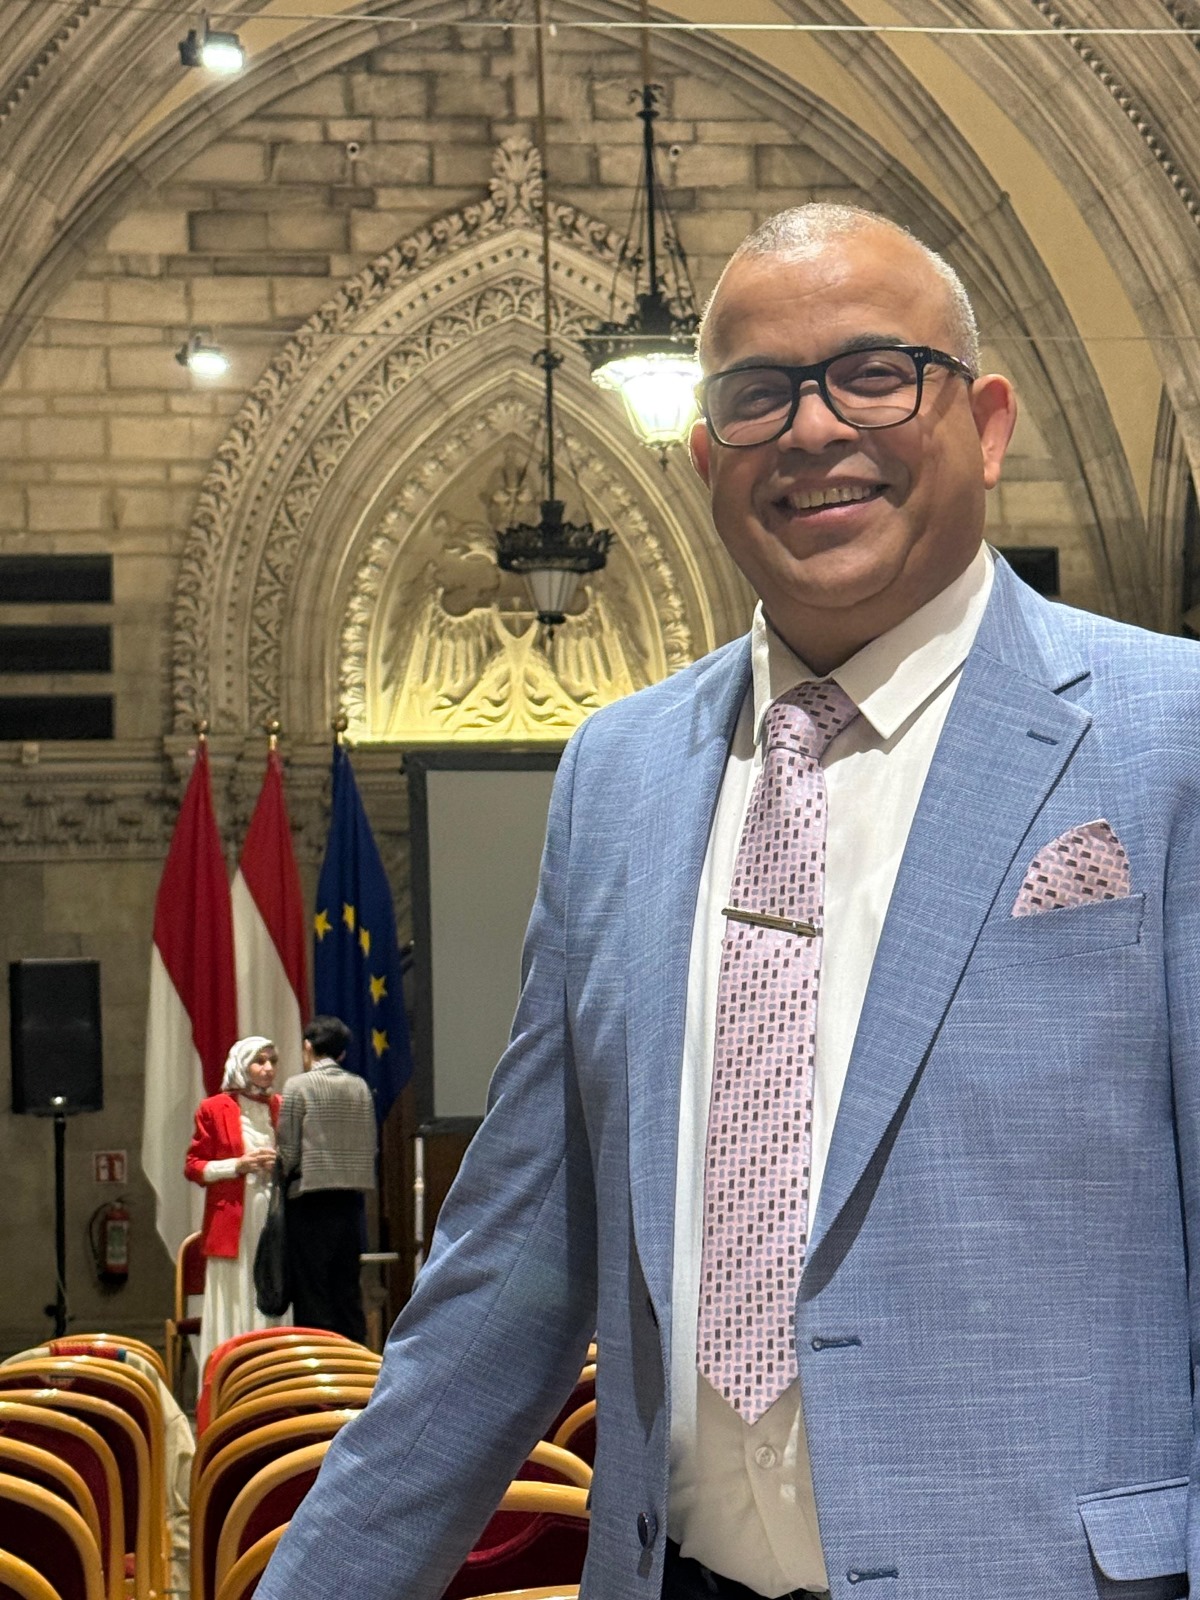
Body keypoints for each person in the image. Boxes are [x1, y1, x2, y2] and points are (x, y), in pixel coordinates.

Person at [259, 204, 1200, 1600]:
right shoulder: (619, 774)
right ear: (707, 459)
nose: (815, 429)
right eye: (760, 394)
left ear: (988, 423)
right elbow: (514, 1267)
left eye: (876, 373)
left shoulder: (1169, 737)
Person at [184, 1034, 283, 1374]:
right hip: (232, 1219)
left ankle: (271, 1374)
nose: (268, 1068)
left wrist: (280, 1164)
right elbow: (194, 1167)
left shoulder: (281, 1106)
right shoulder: (214, 1108)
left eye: (272, 1061)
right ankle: (228, 1375)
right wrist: (237, 1166)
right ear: (242, 1065)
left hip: (272, 1214)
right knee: (236, 1292)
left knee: (271, 1287)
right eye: (260, 1061)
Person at [276, 1014, 377, 1340]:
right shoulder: (360, 1086)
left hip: (309, 1197)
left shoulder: (298, 1086)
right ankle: (354, 1359)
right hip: (350, 1199)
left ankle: (318, 1361)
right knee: (346, 1288)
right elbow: (370, 1142)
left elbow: (288, 1150)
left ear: (308, 1047)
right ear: (342, 1052)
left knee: (311, 1289)